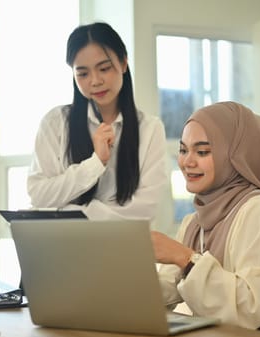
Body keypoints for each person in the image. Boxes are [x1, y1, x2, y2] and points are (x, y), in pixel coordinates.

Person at [151, 101, 260, 335]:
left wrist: (184, 257)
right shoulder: (195, 222)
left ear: (236, 156)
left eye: (203, 151)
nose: (187, 162)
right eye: (183, 149)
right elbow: (169, 287)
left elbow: (250, 308)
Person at [27, 22, 168, 226]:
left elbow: (145, 209)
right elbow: (39, 195)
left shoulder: (150, 129)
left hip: (122, 248)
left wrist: (74, 213)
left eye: (104, 68)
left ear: (123, 63)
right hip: (63, 246)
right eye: (83, 73)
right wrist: (96, 163)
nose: (95, 81)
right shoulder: (55, 123)